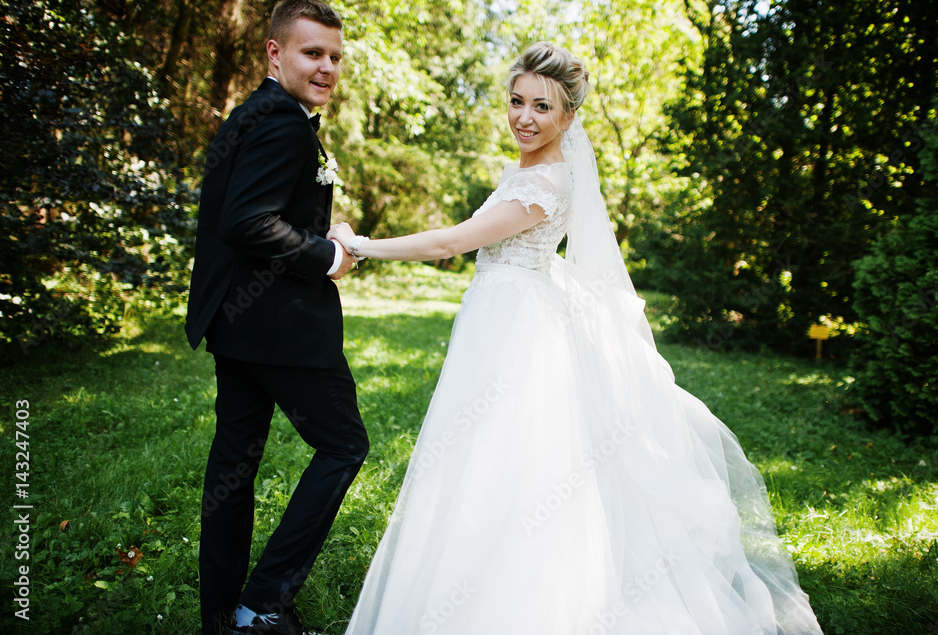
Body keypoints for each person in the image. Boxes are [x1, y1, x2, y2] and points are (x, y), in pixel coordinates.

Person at [331, 42, 824, 634]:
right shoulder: (529, 172)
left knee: (509, 464)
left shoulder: (545, 183)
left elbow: (449, 243)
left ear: (568, 117)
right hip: (507, 321)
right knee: (488, 464)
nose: (524, 117)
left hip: (514, 336)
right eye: (516, 101)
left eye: (542, 106)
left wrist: (360, 245)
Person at [185, 0, 367, 635]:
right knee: (344, 447)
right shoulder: (284, 123)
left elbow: (255, 209)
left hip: (235, 326)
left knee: (233, 470)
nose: (326, 68)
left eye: (335, 57)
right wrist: (325, 255)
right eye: (312, 53)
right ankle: (262, 604)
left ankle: (221, 616)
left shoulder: (253, 114)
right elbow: (246, 220)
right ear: (275, 51)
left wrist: (320, 228)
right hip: (282, 329)